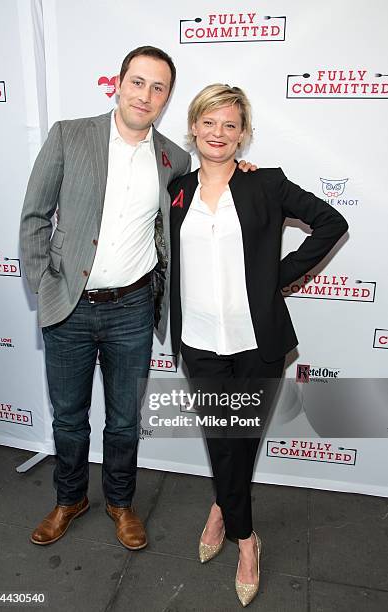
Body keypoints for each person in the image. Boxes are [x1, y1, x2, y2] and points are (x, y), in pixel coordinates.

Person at [20, 48, 255, 550]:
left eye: (158, 88)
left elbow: (207, 195)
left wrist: (244, 171)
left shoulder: (176, 157)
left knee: (125, 420)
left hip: (132, 308)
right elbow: (35, 216)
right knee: (68, 416)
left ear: (167, 98)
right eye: (138, 82)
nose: (145, 95)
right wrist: (46, 283)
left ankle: (121, 504)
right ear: (119, 84)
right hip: (70, 304)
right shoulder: (69, 134)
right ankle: (69, 499)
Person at [168, 84, 348, 606]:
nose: (218, 133)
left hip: (257, 340)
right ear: (194, 127)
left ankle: (231, 519)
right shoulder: (174, 188)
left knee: (238, 438)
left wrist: (277, 276)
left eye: (229, 124)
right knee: (224, 439)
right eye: (208, 122)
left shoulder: (265, 184)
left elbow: (331, 223)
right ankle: (242, 529)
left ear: (243, 134)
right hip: (199, 339)